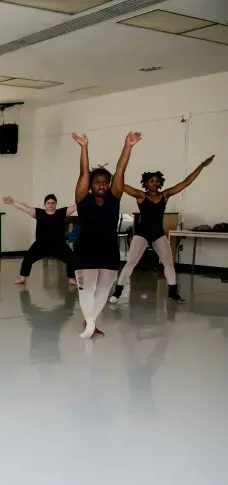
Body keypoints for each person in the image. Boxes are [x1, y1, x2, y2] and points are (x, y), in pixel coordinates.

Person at [110, 155, 215, 304]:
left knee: (168, 263)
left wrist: (201, 166)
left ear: (160, 184)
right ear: (146, 183)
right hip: (142, 233)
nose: (155, 183)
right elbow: (121, 185)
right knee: (131, 262)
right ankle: (118, 292)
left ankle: (173, 293)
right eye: (152, 181)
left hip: (158, 233)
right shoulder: (141, 196)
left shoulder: (165, 195)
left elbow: (185, 183)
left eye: (157, 181)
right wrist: (110, 175)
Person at [72, 131, 141, 339]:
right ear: (91, 186)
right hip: (85, 250)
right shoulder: (83, 198)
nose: (101, 185)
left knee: (102, 290)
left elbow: (121, 169)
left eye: (104, 182)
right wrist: (84, 147)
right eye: (97, 182)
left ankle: (90, 323)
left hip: (109, 250)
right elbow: (84, 172)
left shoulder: (114, 197)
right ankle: (90, 325)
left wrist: (128, 145)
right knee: (86, 290)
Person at [3, 194, 78, 286]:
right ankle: (22, 278)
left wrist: (84, 197)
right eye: (48, 203)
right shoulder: (39, 213)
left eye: (52, 203)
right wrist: (13, 202)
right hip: (41, 245)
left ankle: (71, 279)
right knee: (27, 259)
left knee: (71, 258)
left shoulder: (61, 213)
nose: (50, 205)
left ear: (56, 204)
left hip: (58, 245)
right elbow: (25, 208)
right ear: (45, 205)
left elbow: (75, 207)